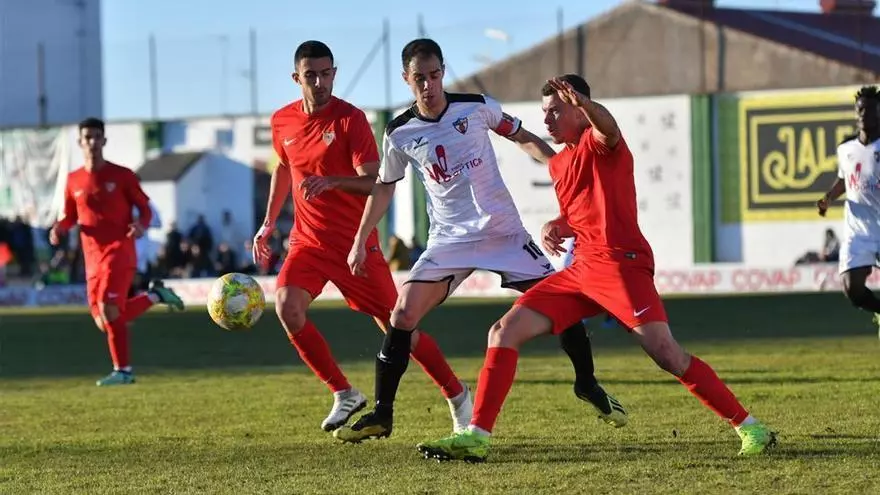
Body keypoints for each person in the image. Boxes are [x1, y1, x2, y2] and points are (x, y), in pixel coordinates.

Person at [416, 75, 777, 462]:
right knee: (503, 331)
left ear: (578, 108)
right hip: (581, 270)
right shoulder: (560, 163)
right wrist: (557, 224)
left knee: (667, 355)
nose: (548, 120)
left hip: (622, 266)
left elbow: (609, 128)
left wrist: (588, 105)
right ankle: (477, 436)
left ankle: (751, 427)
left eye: (556, 111)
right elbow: (580, 208)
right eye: (544, 113)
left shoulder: (601, 144)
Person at [335, 39, 626, 443]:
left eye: (435, 75)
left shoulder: (475, 106)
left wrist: (564, 165)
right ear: (407, 79)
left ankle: (587, 384)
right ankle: (383, 413)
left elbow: (522, 137)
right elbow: (384, 187)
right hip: (449, 241)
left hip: (503, 233)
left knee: (563, 307)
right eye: (419, 78)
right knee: (401, 316)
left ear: (443, 72)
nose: (429, 85)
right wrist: (360, 239)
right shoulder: (399, 132)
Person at [252, 40, 470, 434]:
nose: (319, 82)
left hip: (357, 244)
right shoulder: (282, 121)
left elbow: (376, 183)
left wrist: (331, 182)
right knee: (287, 306)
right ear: (296, 78)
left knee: (399, 327)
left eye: (326, 73)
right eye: (310, 75)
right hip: (307, 242)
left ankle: (456, 393)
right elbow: (283, 169)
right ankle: (343, 392)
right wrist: (269, 223)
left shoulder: (350, 121)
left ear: (334, 73)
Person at [49, 118, 185, 387]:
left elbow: (145, 208)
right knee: (106, 320)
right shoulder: (73, 180)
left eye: (97, 137)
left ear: (104, 141)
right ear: (80, 142)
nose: (92, 142)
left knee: (109, 309)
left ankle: (123, 370)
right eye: (87, 137)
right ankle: (155, 295)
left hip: (119, 249)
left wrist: (141, 225)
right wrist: (59, 228)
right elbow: (70, 216)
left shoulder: (122, 175)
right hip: (91, 258)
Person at [817, 85, 880, 327]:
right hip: (859, 230)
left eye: (871, 110)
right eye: (860, 109)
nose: (865, 114)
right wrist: (829, 198)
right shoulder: (846, 148)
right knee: (851, 289)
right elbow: (845, 179)